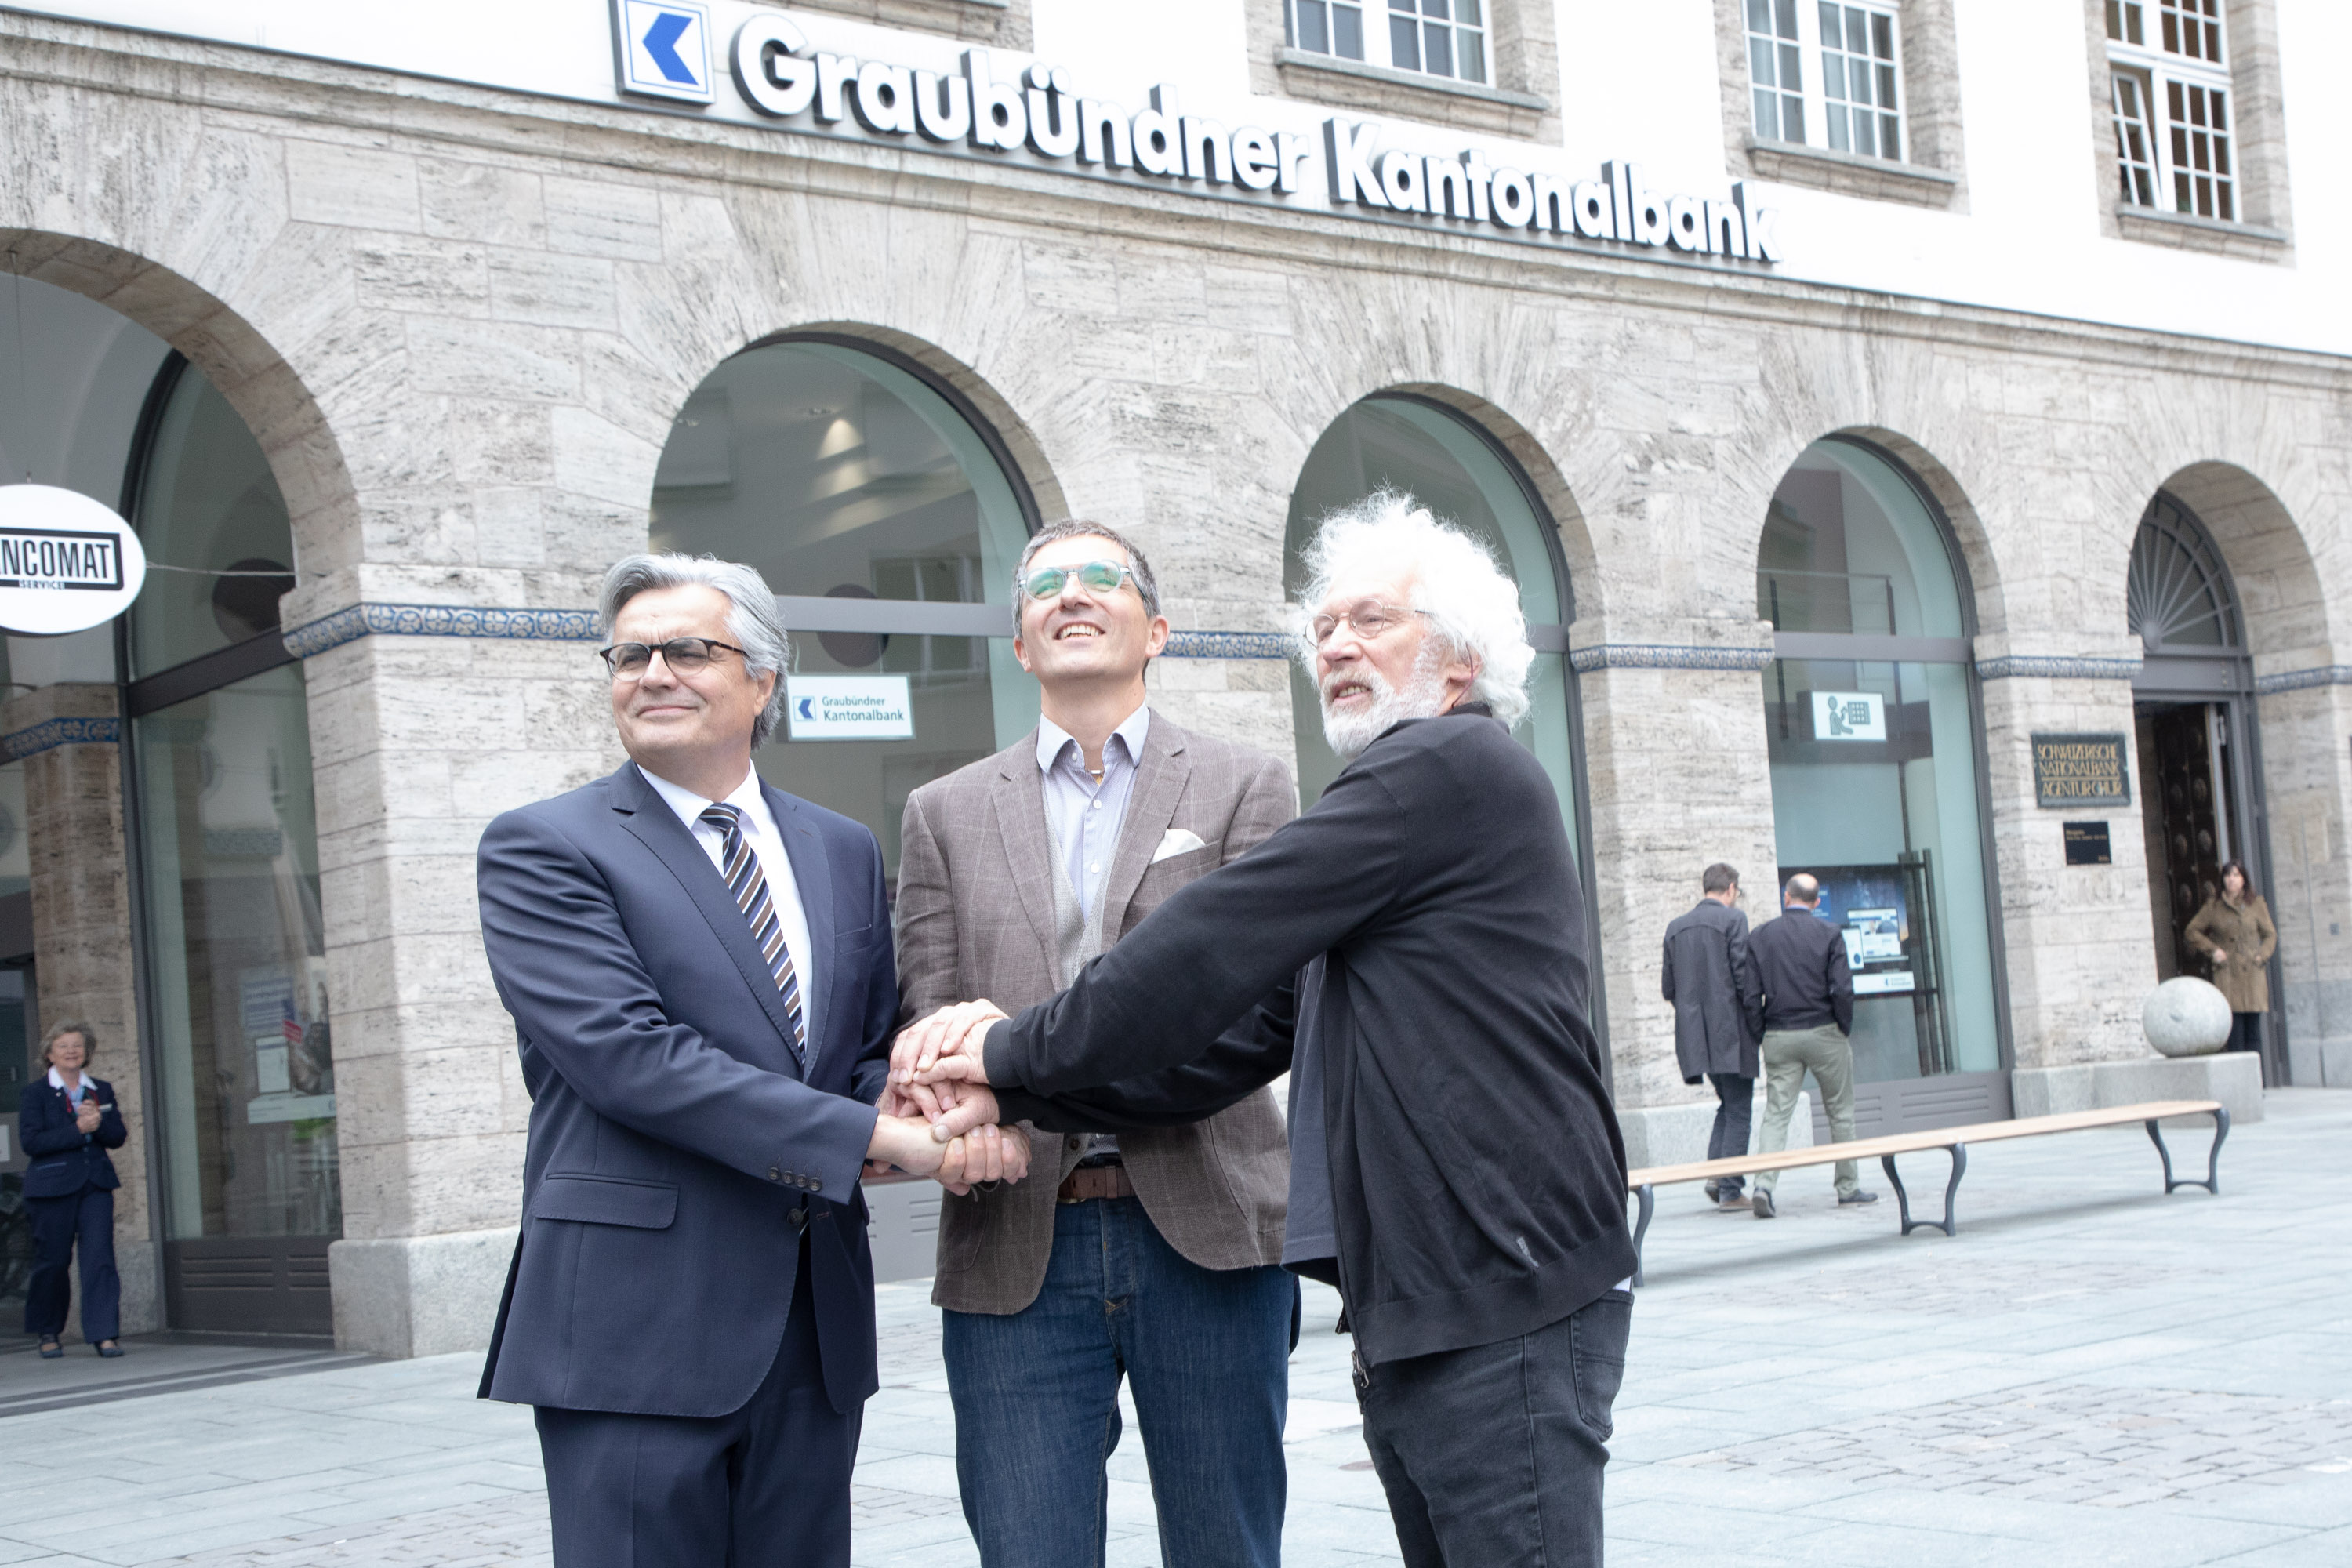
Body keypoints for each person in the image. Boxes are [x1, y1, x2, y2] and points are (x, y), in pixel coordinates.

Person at [901, 491, 1636, 1568]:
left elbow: (1205, 945)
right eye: (1323, 627)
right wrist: (1012, 1090)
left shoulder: (1442, 768)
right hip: (1432, 1294)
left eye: (1373, 620)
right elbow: (1238, 1041)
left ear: (1461, 662)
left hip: (1502, 1282)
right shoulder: (1406, 803)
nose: (1335, 644)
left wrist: (1002, 1048)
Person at [474, 554, 1027, 1568]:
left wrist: (939, 1104)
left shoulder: (841, 848)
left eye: (688, 650)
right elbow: (631, 1058)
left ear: (764, 678)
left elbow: (855, 1052)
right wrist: (890, 1139)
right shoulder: (544, 846)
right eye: (630, 655)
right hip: (635, 1330)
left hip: (813, 1325)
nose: (653, 673)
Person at [894, 521, 1299, 1567]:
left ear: (1155, 630)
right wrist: (946, 1115)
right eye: (1046, 586)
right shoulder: (941, 813)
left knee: (1227, 1550)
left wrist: (1015, 1081)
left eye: (1101, 577)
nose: (1071, 594)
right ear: (1020, 647)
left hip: (1210, 1232)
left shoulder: (1244, 785)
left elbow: (1255, 1020)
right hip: (1014, 1239)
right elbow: (931, 1026)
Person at [1746, 874, 1875, 1219]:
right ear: (1817, 902)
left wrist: (1762, 1033)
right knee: (1841, 1112)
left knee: (1776, 1114)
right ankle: (1848, 1188)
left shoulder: (1761, 936)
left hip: (1779, 1034)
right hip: (1824, 1032)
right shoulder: (1830, 933)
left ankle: (1763, 1186)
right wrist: (1842, 1028)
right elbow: (1843, 989)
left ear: (1786, 897)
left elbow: (1749, 995)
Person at [18, 1022, 127, 1359]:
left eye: (77, 1045)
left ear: (87, 1052)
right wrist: (77, 1129)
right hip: (51, 1188)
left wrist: (99, 1124)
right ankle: (48, 1331)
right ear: (49, 1054)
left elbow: (117, 1137)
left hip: (95, 1185)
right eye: (63, 1046)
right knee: (53, 1261)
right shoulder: (36, 1093)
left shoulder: (101, 1089)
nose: (71, 1051)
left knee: (99, 1258)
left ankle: (104, 1334)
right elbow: (31, 1142)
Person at [1661, 863, 1764, 1211]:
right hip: (1731, 1033)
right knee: (1739, 1110)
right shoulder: (1734, 920)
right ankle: (1731, 1191)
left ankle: (1717, 1177)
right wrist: (1757, 1025)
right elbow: (1744, 980)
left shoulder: (1676, 928)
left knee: (1728, 1104)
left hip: (1696, 1041)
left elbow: (1669, 988)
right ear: (1731, 888)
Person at [2185, 860, 2276, 1075]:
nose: (2231, 880)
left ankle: (2255, 1080)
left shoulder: (2256, 904)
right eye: (2227, 875)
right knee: (2235, 1031)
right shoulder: (2213, 906)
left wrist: (2261, 956)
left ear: (2244, 879)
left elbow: (2270, 934)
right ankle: (2238, 1080)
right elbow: (2192, 931)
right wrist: (2213, 950)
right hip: (2228, 974)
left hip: (2252, 973)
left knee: (2253, 1032)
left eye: (2236, 875)